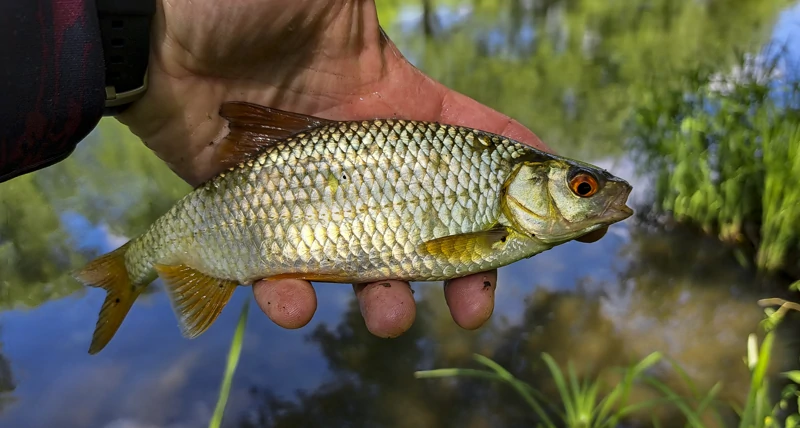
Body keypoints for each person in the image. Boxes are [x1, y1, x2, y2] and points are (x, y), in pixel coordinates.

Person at [1, 0, 596, 339]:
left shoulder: (493, 196)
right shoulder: (495, 224)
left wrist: (132, 39)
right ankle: (127, 269)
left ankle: (131, 266)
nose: (594, 195)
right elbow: (445, 253)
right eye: (582, 187)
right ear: (528, 183)